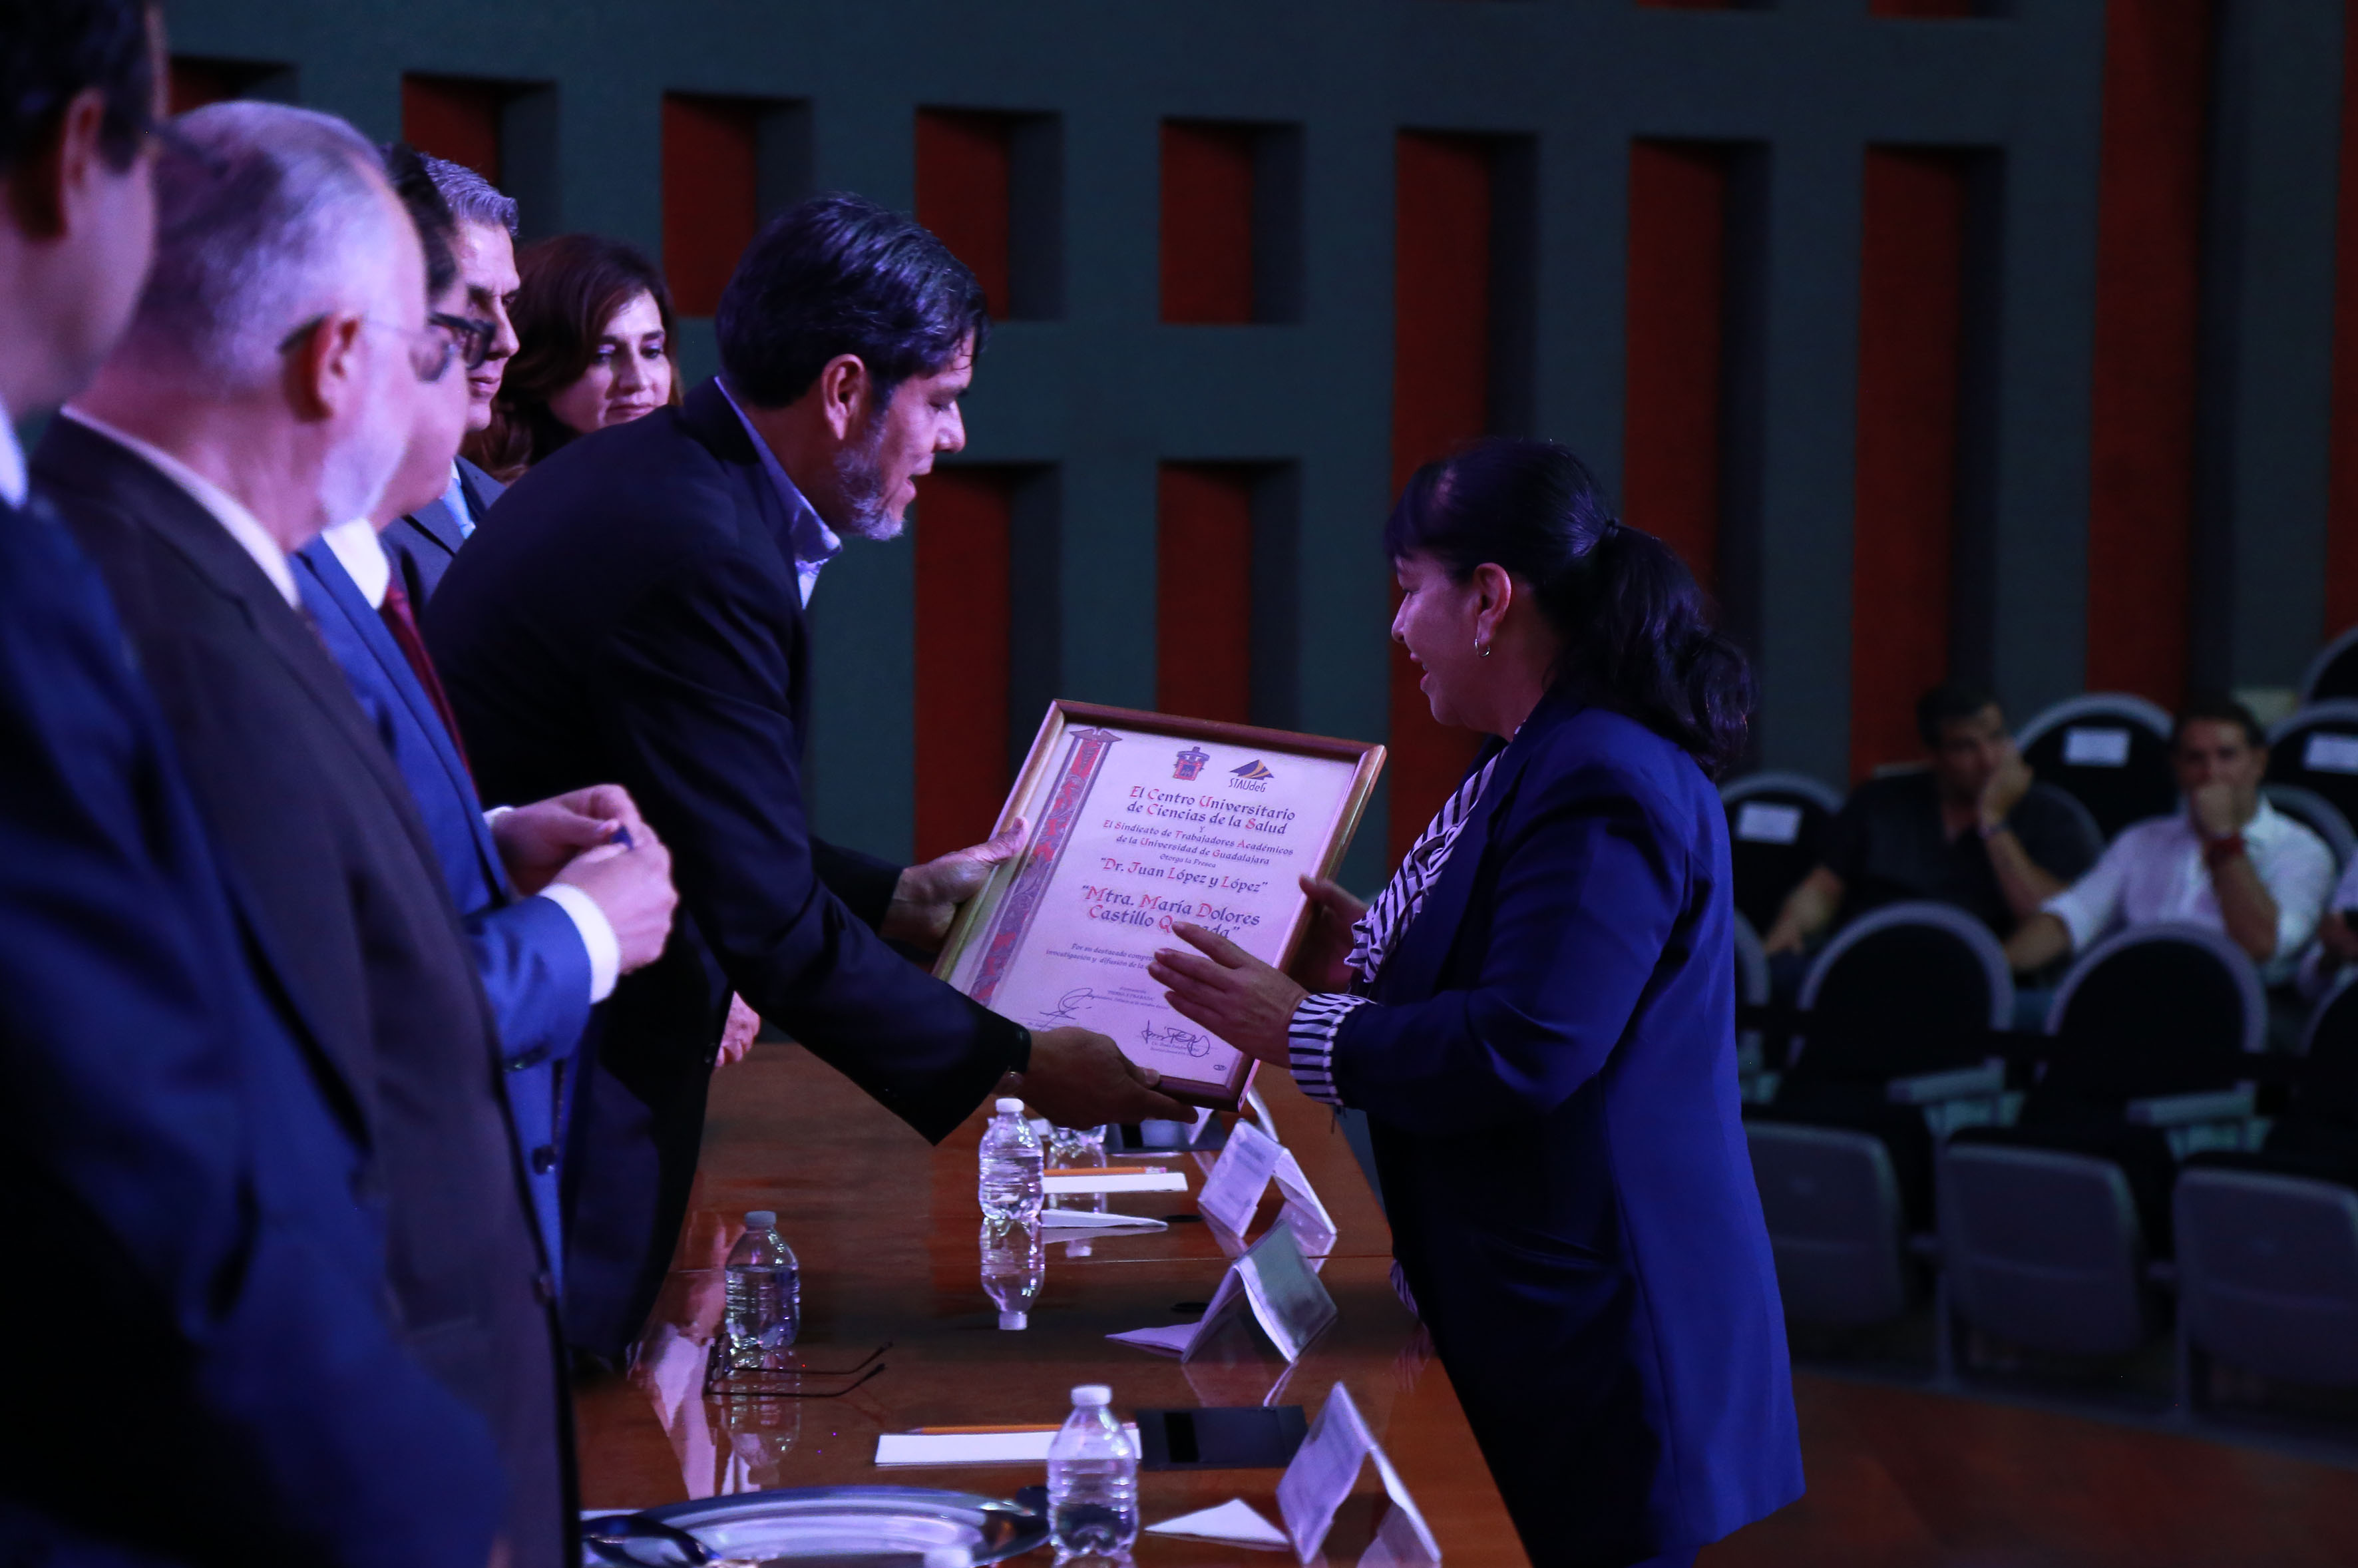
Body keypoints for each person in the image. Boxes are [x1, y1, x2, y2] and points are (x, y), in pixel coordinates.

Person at [425, 192, 1191, 1359]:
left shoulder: (664, 477)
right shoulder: (702, 553)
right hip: (538, 1117)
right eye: (939, 401)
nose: (955, 440)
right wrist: (1021, 1067)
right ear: (843, 391)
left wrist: (895, 900)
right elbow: (765, 924)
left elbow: (691, 821)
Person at [35, 101, 571, 1568]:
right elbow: (230, 1141)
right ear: (339, 359)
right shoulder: (132, 601)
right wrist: (416, 1492)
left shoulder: (179, 562)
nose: (447, 386)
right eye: (428, 344)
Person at [1149, 439, 1803, 1568]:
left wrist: (1296, 1028)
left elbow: (1528, 1045)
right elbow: (1518, 964)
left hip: (1599, 1321)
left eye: (1409, 593)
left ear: (1489, 597)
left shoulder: (1599, 771)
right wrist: (1371, 949)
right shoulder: (1534, 752)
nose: (1398, 629)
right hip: (1536, 1297)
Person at [298, 141, 680, 1276]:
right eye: (473, 316)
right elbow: (330, 1002)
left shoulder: (457, 511)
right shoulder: (250, 580)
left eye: (656, 349)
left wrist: (491, 838)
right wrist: (582, 930)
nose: (502, 349)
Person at [2005, 695, 2334, 987]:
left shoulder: (2302, 851)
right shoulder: (2142, 840)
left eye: (2227, 756)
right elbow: (2071, 918)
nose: (2211, 773)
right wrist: (1994, 967)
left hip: (2232, 1004)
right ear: (2176, 767)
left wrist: (2224, 838)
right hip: (2133, 994)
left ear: (2258, 762)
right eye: (2195, 758)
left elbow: (2263, 946)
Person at [1763, 680, 2100, 960]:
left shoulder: (2049, 814)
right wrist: (1793, 923)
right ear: (1933, 756)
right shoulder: (1879, 801)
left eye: (1996, 738)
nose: (1988, 760)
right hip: (1873, 960)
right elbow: (1823, 888)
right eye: (1965, 747)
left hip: (1979, 972)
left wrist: (1994, 821)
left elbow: (2050, 922)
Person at [381, 152, 518, 605]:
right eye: (469, 302)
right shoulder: (346, 513)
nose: (506, 341)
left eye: (509, 303)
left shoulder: (509, 504)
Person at [466, 231, 680, 482]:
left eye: (651, 352)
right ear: (538, 367)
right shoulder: (513, 502)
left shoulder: (695, 477)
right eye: (601, 356)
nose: (639, 381)